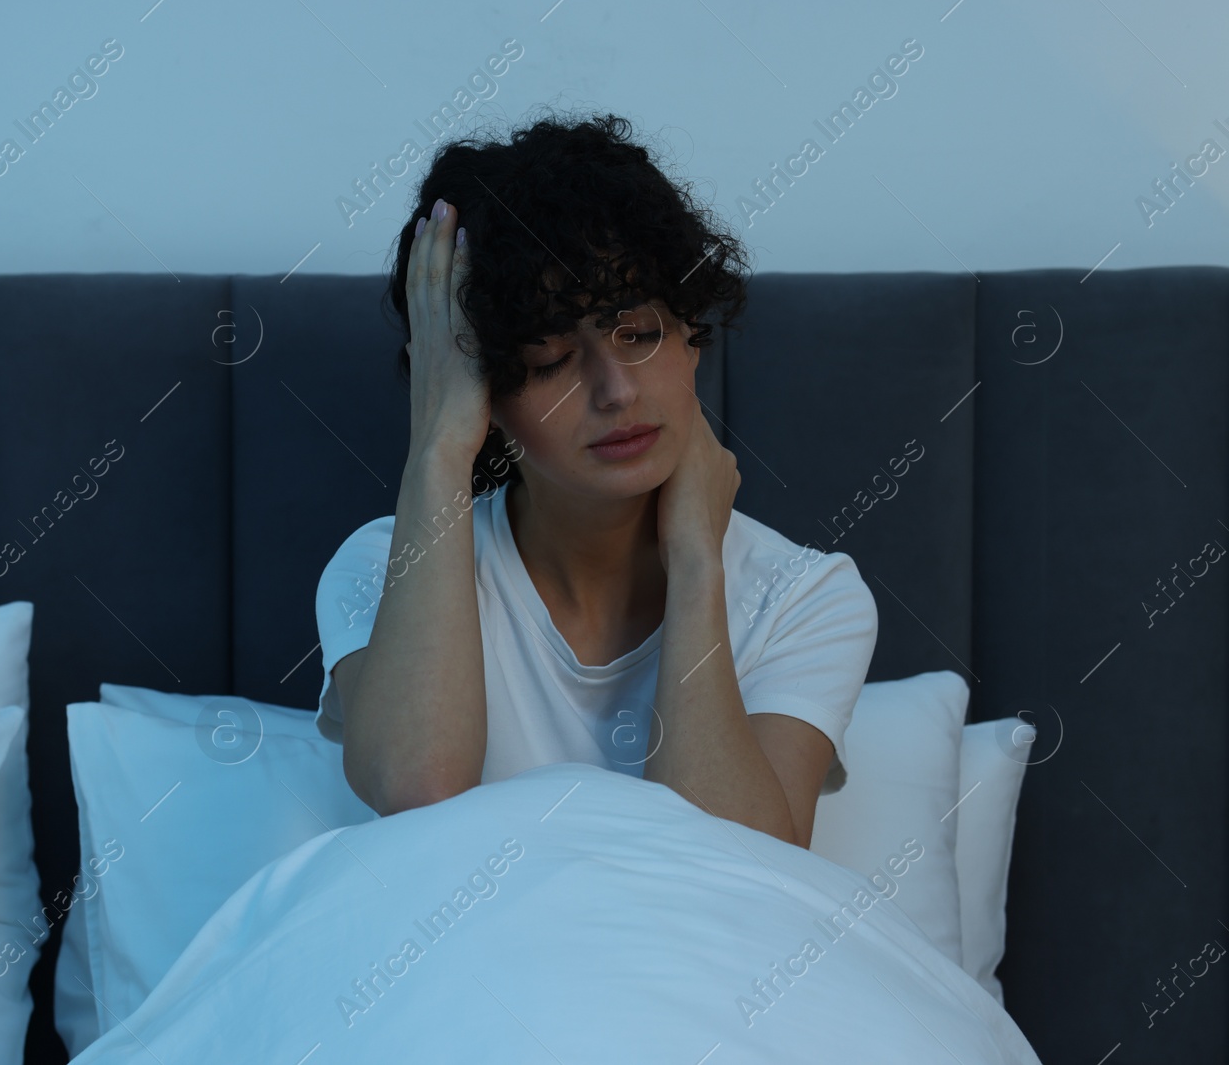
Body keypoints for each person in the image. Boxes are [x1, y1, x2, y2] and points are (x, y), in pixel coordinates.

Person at [311, 111, 877, 849]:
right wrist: (440, 452)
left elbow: (740, 869)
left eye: (638, 333)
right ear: (484, 392)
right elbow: (417, 789)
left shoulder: (807, 597)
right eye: (548, 361)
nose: (615, 390)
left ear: (691, 339)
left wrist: (698, 566)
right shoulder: (380, 568)